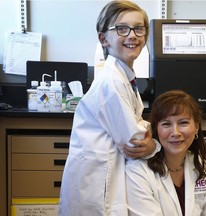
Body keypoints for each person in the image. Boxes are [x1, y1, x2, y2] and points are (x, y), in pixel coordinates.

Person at [58, 1, 160, 215]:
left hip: (103, 176)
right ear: (104, 39)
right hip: (96, 185)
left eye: (139, 28)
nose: (132, 35)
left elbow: (134, 122)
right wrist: (155, 146)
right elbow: (134, 142)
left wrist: (147, 129)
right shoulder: (111, 82)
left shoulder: (122, 76)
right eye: (122, 29)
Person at [126, 90, 206, 216]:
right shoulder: (137, 172)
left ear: (196, 127)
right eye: (166, 124)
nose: (175, 132)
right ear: (156, 130)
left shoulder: (203, 166)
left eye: (183, 123)